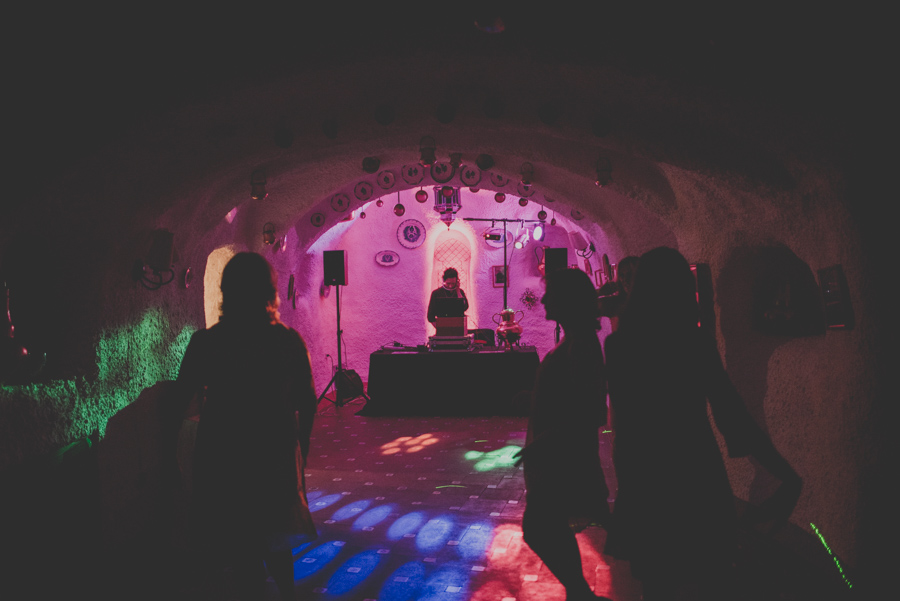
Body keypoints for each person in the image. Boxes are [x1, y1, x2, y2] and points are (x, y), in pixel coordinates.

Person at [603, 247, 801, 600]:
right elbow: (732, 413)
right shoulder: (694, 343)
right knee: (711, 577)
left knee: (656, 581)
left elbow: (624, 426)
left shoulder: (619, 345)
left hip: (645, 474)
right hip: (695, 467)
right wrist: (782, 470)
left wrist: (626, 487)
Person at [175, 252, 318, 601]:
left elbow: (179, 401)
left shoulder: (206, 342)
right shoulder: (287, 341)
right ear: (270, 293)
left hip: (223, 449)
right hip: (274, 448)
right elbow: (308, 401)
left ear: (227, 291)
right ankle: (287, 594)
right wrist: (302, 449)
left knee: (241, 541)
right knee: (276, 531)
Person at [518, 267, 612, 601]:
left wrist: (546, 440)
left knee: (541, 527)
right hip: (555, 450)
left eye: (551, 292)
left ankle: (580, 592)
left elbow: (588, 408)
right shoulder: (575, 339)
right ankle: (579, 592)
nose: (543, 298)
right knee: (549, 525)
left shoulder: (581, 344)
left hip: (561, 454)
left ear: (567, 300)